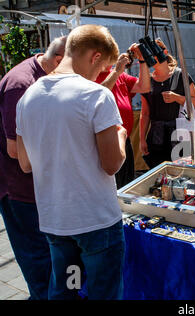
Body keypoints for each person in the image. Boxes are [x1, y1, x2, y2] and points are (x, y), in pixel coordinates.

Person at [15, 24, 127, 300]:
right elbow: (112, 163)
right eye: (103, 69)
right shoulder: (96, 95)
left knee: (67, 290)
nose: (101, 76)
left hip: (56, 221)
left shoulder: (27, 97)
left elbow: (25, 164)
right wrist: (121, 136)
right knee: (104, 293)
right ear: (95, 56)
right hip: (96, 222)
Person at [0, 36, 67, 300]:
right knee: (37, 258)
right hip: (18, 189)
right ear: (60, 61)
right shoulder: (21, 85)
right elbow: (15, 150)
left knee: (48, 255)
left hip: (36, 185)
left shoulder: (44, 76)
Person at [95, 43, 150, 189]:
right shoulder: (90, 76)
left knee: (127, 186)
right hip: (105, 144)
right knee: (112, 188)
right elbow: (99, 95)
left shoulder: (120, 75)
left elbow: (144, 86)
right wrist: (117, 72)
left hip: (124, 141)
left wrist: (142, 61)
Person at [139, 39, 195, 170]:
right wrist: (142, 139)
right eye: (148, 54)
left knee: (180, 174)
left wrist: (177, 98)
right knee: (159, 175)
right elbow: (145, 113)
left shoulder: (180, 75)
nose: (152, 57)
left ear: (164, 52)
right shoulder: (147, 80)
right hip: (156, 139)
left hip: (179, 137)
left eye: (155, 53)